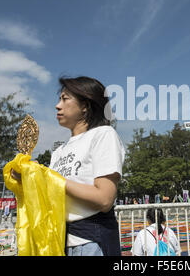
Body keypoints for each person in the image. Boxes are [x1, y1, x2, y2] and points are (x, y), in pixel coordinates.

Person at [11, 76, 125, 256]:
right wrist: (30, 177)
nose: (58, 105)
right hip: (58, 242)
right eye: (59, 99)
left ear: (85, 105)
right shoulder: (58, 152)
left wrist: (49, 177)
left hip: (90, 243)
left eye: (65, 99)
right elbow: (54, 195)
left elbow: (104, 199)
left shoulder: (103, 135)